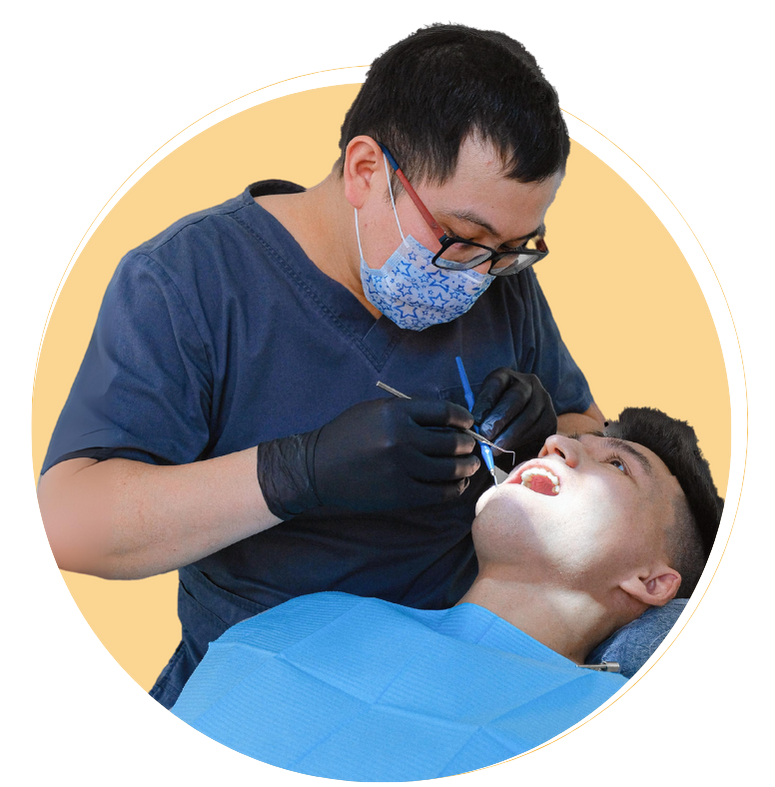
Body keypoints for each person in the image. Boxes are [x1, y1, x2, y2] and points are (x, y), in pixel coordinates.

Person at [37, 23, 605, 710]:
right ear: (366, 170)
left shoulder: (496, 275)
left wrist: (546, 431)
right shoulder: (189, 279)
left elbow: (589, 433)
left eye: (514, 247)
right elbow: (69, 520)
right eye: (462, 238)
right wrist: (295, 471)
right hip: (263, 688)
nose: (481, 273)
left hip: (452, 670)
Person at [171, 408, 723, 781]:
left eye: (619, 464)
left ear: (653, 582)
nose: (555, 441)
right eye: (569, 440)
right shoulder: (315, 614)